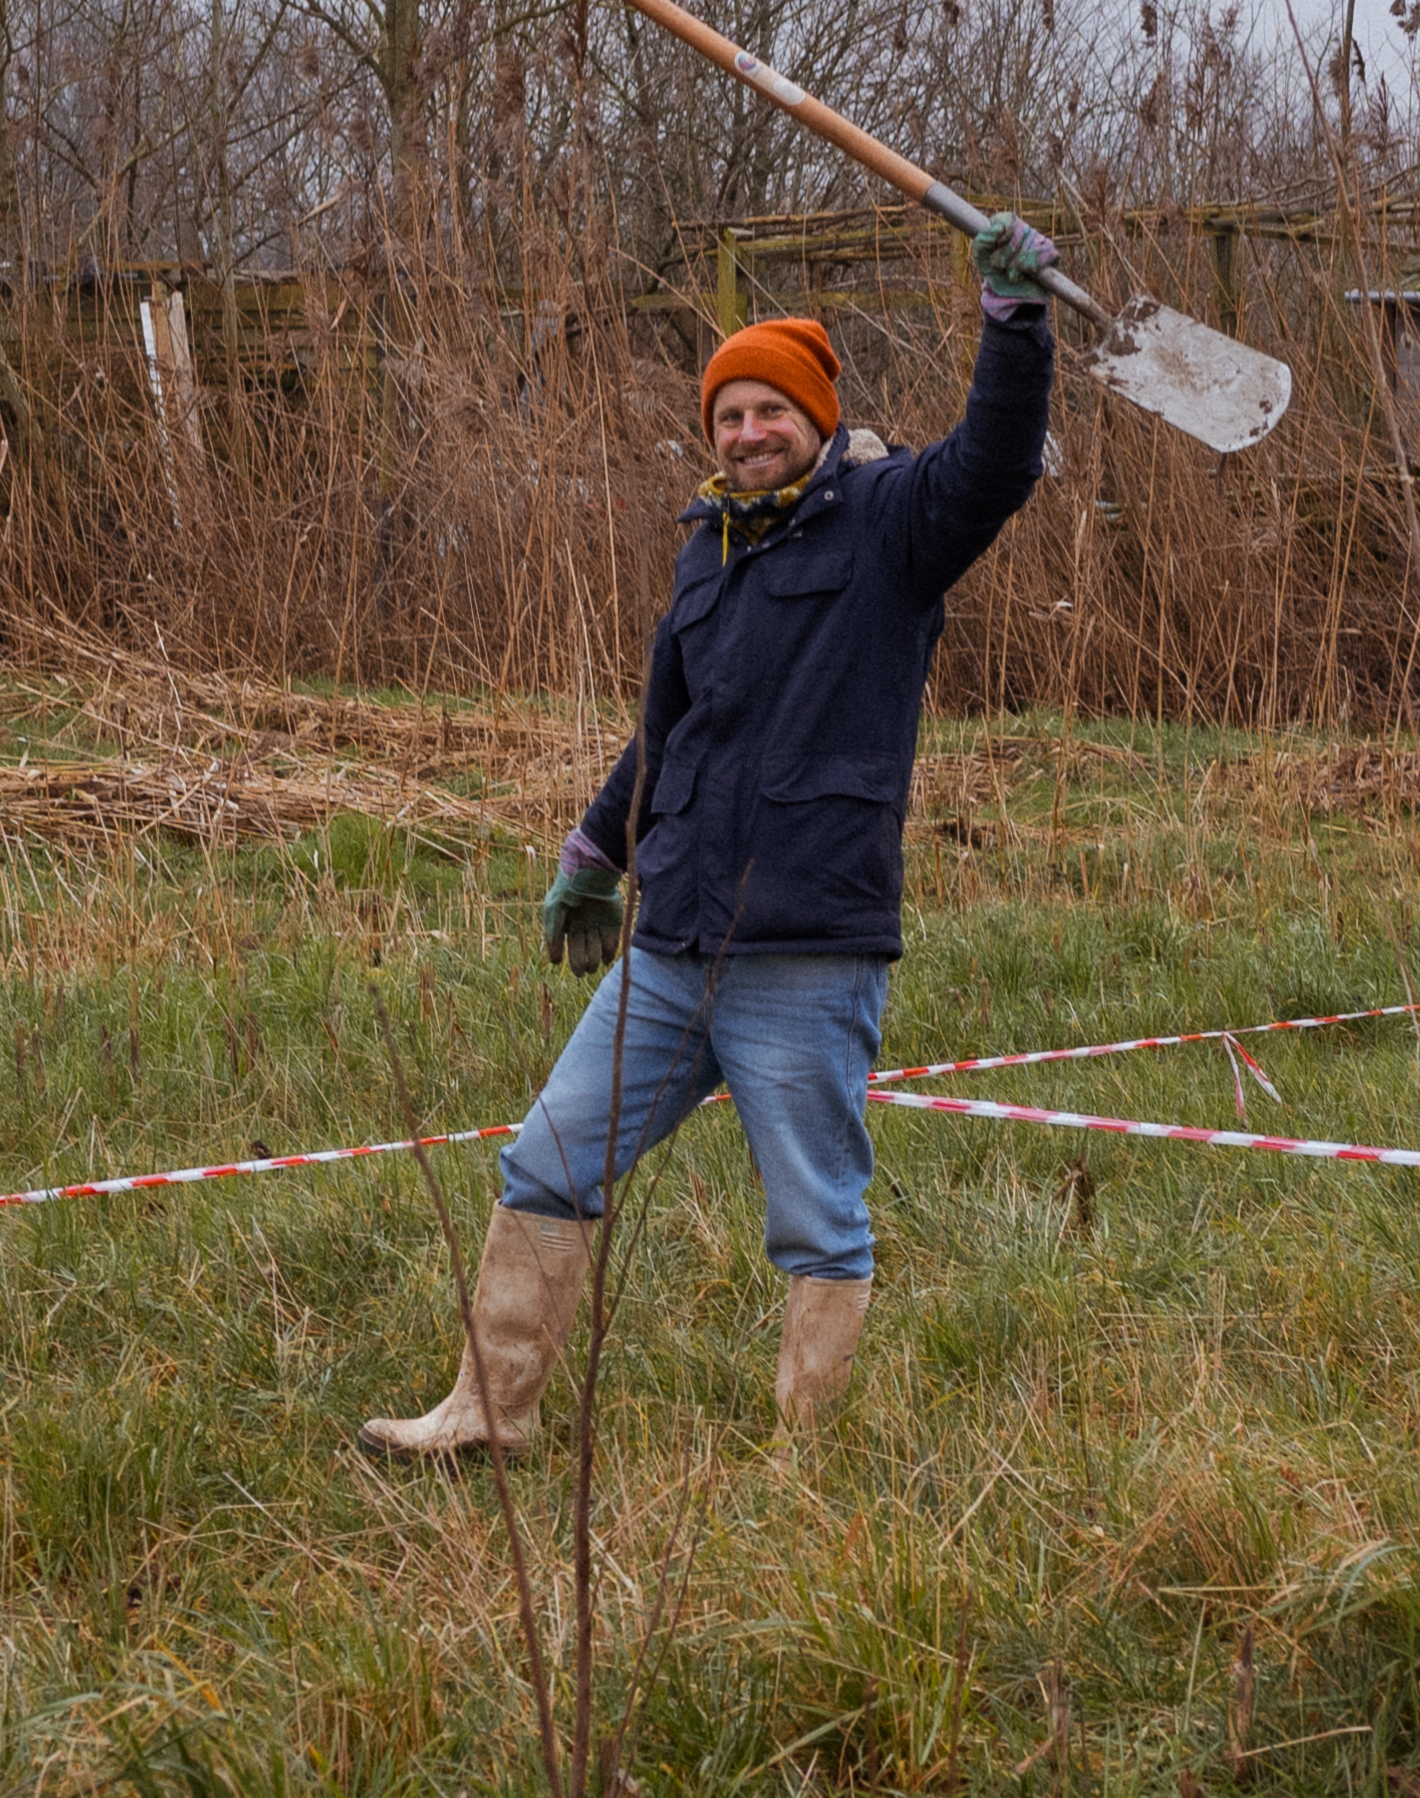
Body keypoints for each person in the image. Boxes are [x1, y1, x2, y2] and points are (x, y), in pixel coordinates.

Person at [361, 210, 1062, 1457]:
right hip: (672, 942)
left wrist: (1013, 325)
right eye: (728, 415)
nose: (747, 433)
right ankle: (489, 1413)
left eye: (770, 411)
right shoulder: (710, 556)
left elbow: (996, 467)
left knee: (814, 1216)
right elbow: (666, 735)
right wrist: (594, 853)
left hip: (805, 942)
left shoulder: (893, 522)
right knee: (548, 1159)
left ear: (817, 420)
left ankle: (805, 1457)